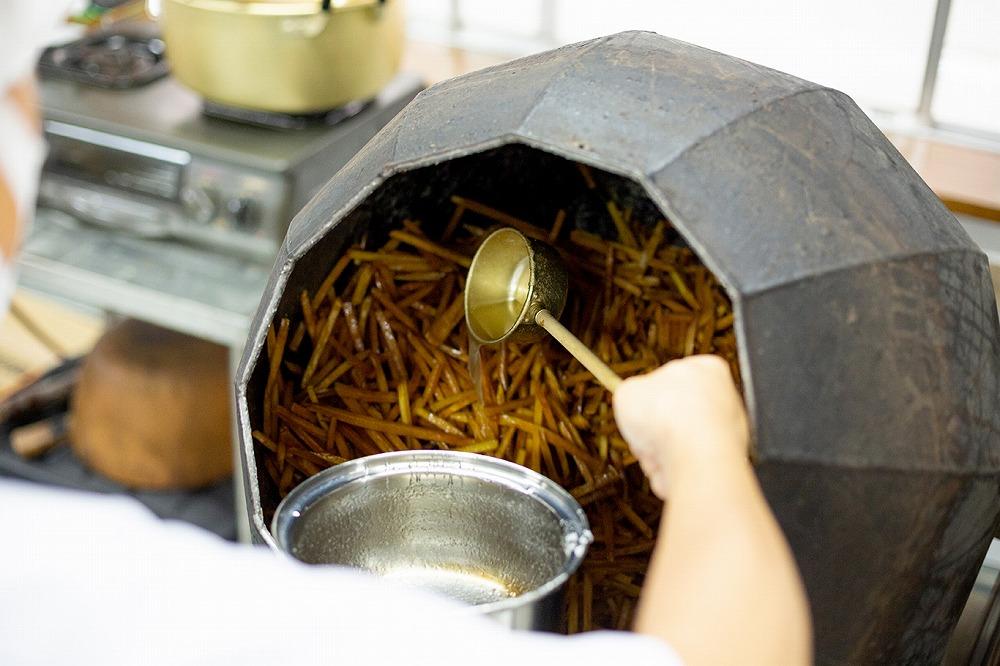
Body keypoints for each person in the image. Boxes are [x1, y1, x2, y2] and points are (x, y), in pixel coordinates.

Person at [0, 6, 811, 665]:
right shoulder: (110, 589)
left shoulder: (57, 569)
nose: (31, 126)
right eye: (18, 114)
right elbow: (735, 648)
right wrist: (708, 455)